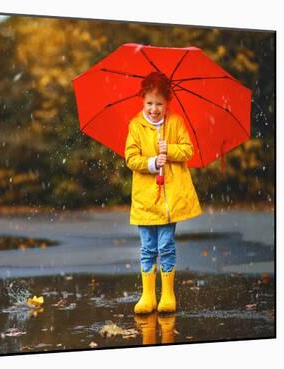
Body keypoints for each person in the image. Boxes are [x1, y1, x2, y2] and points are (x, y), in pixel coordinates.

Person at [124, 71, 202, 314]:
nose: (154, 108)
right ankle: (148, 295)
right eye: (149, 103)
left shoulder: (176, 123)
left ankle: (167, 293)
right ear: (142, 101)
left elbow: (188, 151)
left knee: (166, 245)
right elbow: (130, 157)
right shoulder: (136, 126)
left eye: (159, 103)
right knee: (148, 247)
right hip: (146, 199)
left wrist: (170, 151)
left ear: (168, 103)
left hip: (169, 200)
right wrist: (151, 163)